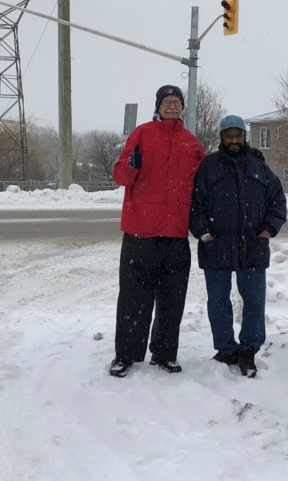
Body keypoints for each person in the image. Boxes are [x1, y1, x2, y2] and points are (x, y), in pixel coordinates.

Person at [109, 84, 206, 377]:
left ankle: (164, 353)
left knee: (172, 299)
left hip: (175, 234)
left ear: (183, 108)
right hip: (140, 232)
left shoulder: (192, 144)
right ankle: (126, 354)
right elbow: (120, 176)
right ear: (158, 106)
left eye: (177, 102)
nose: (172, 106)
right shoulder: (141, 134)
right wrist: (131, 164)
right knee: (133, 298)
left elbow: (205, 184)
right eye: (167, 102)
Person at [189, 115, 287, 378]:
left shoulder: (259, 166)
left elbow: (277, 201)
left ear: (245, 137)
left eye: (238, 136)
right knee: (218, 301)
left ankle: (248, 349)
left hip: (253, 245)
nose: (234, 140)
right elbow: (195, 205)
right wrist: (204, 232)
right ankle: (225, 349)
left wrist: (268, 230)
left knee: (254, 300)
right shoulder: (209, 167)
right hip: (216, 246)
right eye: (229, 136)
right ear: (221, 138)